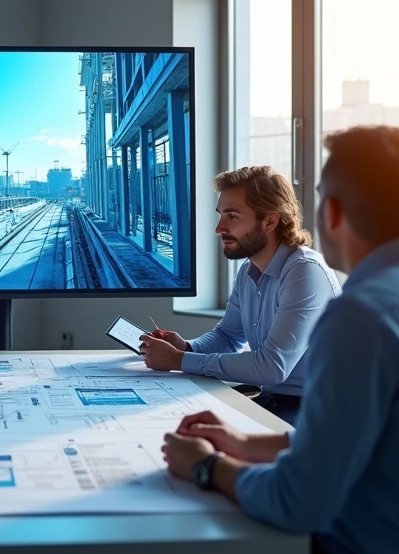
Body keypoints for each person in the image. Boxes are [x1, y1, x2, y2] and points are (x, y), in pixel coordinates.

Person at [161, 126, 399, 554]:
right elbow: (383, 440)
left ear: (330, 212)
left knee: (198, 534)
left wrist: (207, 467)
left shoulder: (359, 318)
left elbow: (297, 502)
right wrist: (245, 445)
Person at [138, 166, 340, 424]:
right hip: (271, 399)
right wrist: (187, 347)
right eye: (221, 215)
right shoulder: (248, 270)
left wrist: (179, 360)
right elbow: (228, 336)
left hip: (314, 411)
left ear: (269, 221)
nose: (219, 228)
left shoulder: (305, 272)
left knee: (203, 438)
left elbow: (272, 367)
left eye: (232, 216)